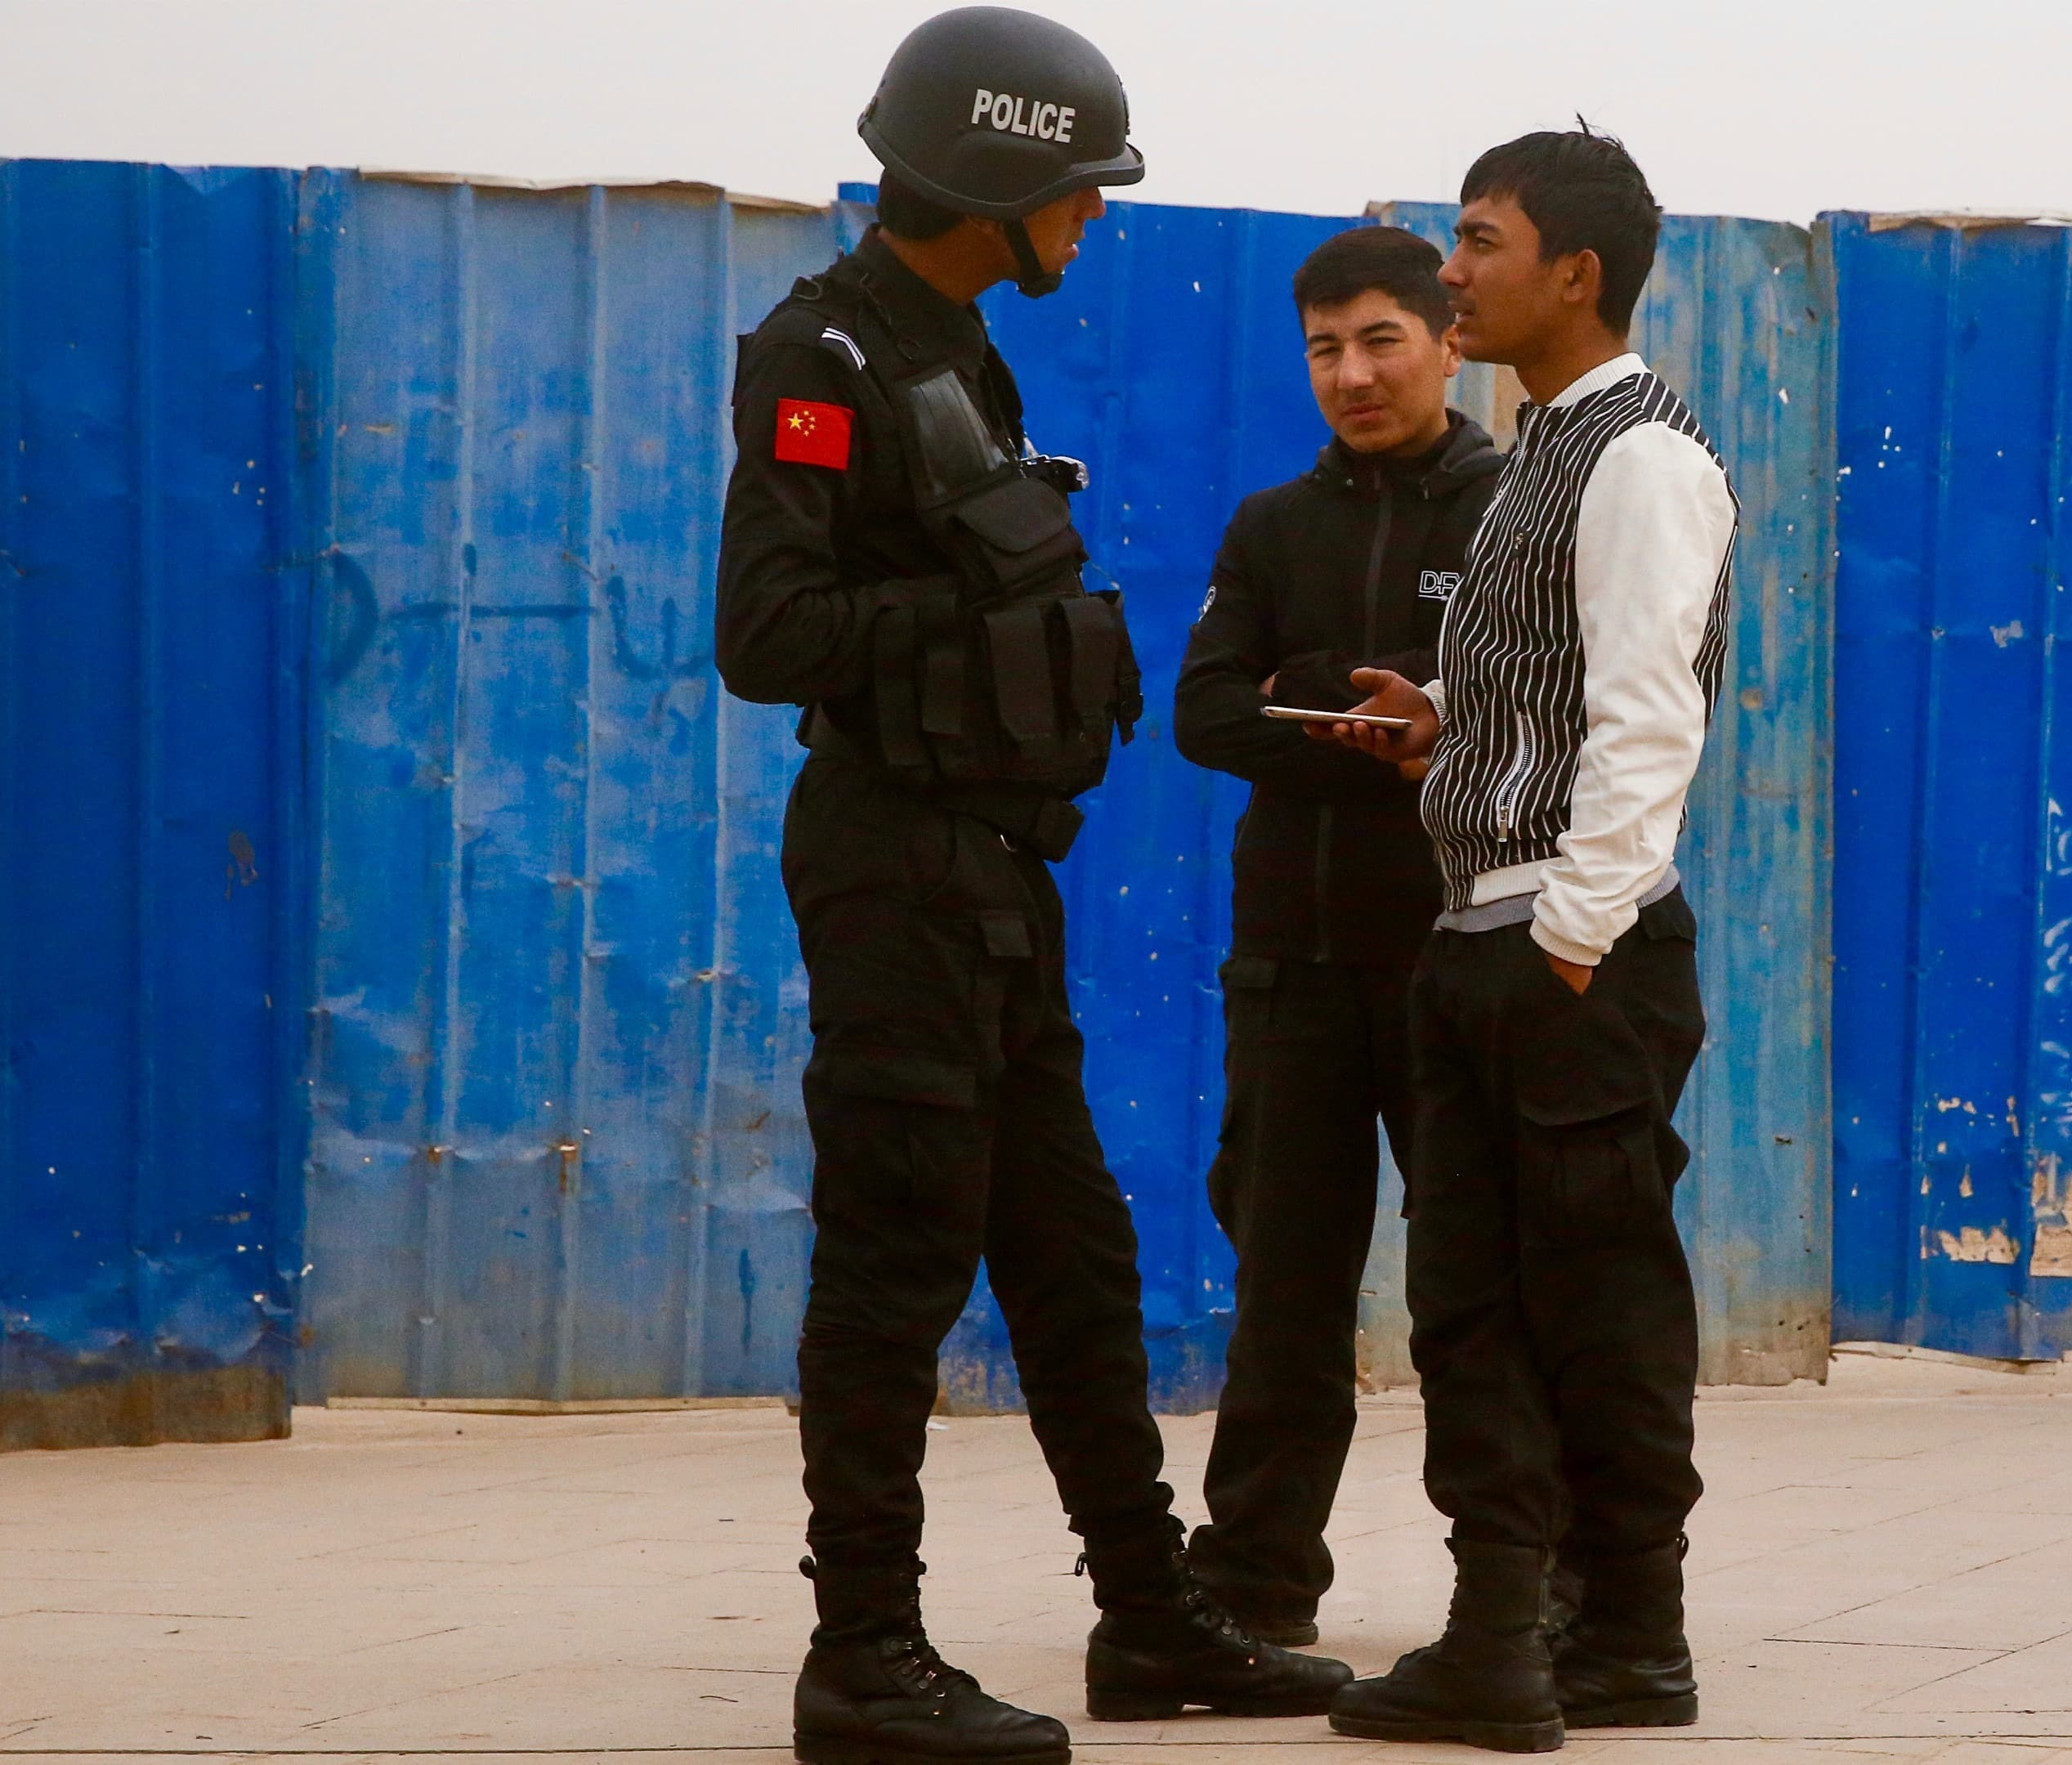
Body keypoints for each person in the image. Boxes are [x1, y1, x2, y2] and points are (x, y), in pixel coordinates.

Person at [711, 10, 1351, 1761]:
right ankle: (863, 1655)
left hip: (994, 874)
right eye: (1073, 191)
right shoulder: (822, 354)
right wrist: (982, 602)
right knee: (895, 1255)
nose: (1090, 223)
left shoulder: (960, 354)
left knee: (1072, 1256)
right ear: (992, 182)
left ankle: (1151, 1624)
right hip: (891, 864)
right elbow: (766, 637)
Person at [1313, 129, 1737, 1753]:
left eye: (1479, 242)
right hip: (1483, 931)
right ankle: (1507, 1629)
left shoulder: (1641, 456)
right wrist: (1448, 724)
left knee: (1600, 1301)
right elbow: (1561, 697)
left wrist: (1566, 942)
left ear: (1575, 271)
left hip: (1574, 953)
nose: (1449, 270)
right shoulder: (1540, 449)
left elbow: (1651, 723)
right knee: (1473, 1307)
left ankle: (1632, 1630)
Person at [1171, 226, 1504, 1647]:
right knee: (1285, 1296)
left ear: (1444, 339)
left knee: (1478, 1298)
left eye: (1381, 340)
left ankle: (1510, 1589)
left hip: (1455, 963)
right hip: (1292, 972)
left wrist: (1299, 707)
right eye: (1325, 347)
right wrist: (1366, 725)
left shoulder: (1513, 511)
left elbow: (1524, 719)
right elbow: (1202, 713)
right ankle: (1253, 1588)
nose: (1352, 374)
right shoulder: (1271, 527)